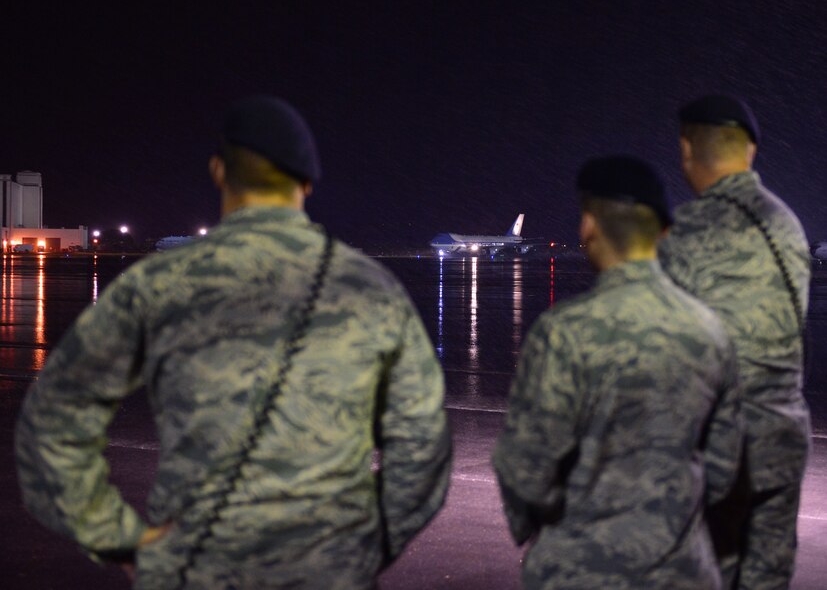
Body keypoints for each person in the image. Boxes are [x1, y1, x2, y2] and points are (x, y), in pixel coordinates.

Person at [15, 95, 451, 590]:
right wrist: (359, 548)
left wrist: (123, 540)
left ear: (219, 171)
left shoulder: (157, 285)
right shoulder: (373, 291)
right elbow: (423, 449)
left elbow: (50, 428)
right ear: (307, 182)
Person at [493, 155, 742, 589]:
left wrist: (548, 529)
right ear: (664, 232)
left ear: (587, 226)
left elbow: (525, 465)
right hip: (681, 571)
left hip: (579, 571)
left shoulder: (562, 332)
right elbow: (728, 465)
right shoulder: (711, 331)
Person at [658, 94, 811, 589]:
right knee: (766, 575)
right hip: (783, 437)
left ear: (686, 150)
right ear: (750, 152)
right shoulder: (788, 224)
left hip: (717, 448)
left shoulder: (682, 233)